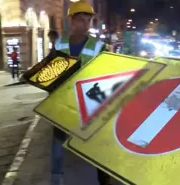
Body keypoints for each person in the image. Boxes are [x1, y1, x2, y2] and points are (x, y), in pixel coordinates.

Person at [51, 1, 110, 185]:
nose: (85, 25)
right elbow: (51, 71)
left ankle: (104, 181)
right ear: (71, 21)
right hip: (63, 102)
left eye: (88, 21)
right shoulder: (59, 44)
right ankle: (56, 180)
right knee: (57, 147)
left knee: (98, 147)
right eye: (80, 20)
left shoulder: (99, 46)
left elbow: (106, 73)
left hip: (90, 103)